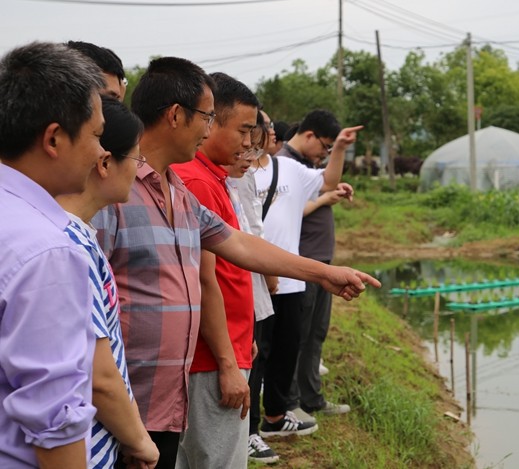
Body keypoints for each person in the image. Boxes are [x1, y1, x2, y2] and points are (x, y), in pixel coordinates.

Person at [92, 56, 380, 469]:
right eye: (207, 118)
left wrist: (324, 273)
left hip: (166, 397)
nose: (209, 130)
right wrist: (228, 360)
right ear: (176, 115)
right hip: (127, 401)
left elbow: (240, 245)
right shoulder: (114, 192)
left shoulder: (177, 189)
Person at [0, 41, 105, 468]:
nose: (102, 154)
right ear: (54, 138)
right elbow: (53, 421)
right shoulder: (47, 251)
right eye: (97, 136)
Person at [57, 97, 159, 469]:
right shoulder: (69, 246)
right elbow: (98, 374)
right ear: (104, 163)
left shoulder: (79, 236)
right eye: (137, 158)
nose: (141, 169)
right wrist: (140, 441)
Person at [171, 72, 261, 469]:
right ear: (210, 122)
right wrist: (227, 360)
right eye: (242, 130)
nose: (248, 143)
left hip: (223, 348)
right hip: (209, 362)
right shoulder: (198, 182)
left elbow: (227, 271)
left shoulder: (211, 179)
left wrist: (242, 340)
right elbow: (203, 281)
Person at [257, 110, 361, 439]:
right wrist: (266, 268)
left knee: (290, 346)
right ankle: (257, 426)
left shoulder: (287, 167)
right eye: (262, 127)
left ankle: (276, 415)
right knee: (261, 352)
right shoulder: (240, 174)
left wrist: (341, 150)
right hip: (263, 275)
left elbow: (325, 183)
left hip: (293, 275)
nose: (273, 134)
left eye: (271, 127)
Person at [280, 111, 355, 418]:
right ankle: (290, 403)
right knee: (296, 335)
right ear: (309, 135)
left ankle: (312, 398)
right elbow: (285, 212)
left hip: (321, 260)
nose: (325, 154)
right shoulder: (283, 163)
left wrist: (330, 190)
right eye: (325, 147)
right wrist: (325, 200)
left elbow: (326, 182)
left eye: (329, 150)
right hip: (302, 262)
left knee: (315, 332)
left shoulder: (308, 166)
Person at [223, 115, 280, 465]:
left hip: (249, 279)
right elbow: (248, 232)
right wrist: (269, 270)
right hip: (244, 277)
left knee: (253, 357)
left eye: (255, 141)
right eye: (246, 136)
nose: (248, 151)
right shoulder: (220, 179)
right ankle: (250, 432)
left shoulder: (239, 175)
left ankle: (250, 432)